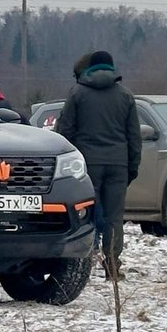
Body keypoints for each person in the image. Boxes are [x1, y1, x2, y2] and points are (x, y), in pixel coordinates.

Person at [54, 50, 143, 280]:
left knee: (86, 213)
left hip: (87, 164)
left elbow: (65, 131)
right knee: (114, 217)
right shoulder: (125, 96)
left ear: (89, 69)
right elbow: (134, 137)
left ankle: (83, 261)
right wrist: (132, 167)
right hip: (118, 164)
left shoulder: (77, 94)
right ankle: (112, 265)